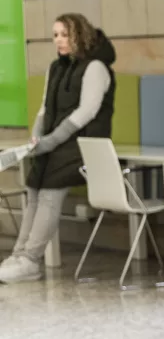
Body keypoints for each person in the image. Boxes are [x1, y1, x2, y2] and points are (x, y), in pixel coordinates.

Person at [1, 15, 116, 284]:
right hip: (53, 141)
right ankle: (19, 255)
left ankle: (30, 259)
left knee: (50, 191)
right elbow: (45, 106)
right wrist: (38, 135)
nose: (59, 41)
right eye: (55, 35)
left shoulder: (96, 68)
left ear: (80, 35)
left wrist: (53, 139)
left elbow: (87, 111)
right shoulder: (56, 67)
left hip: (81, 144)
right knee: (34, 187)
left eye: (65, 34)